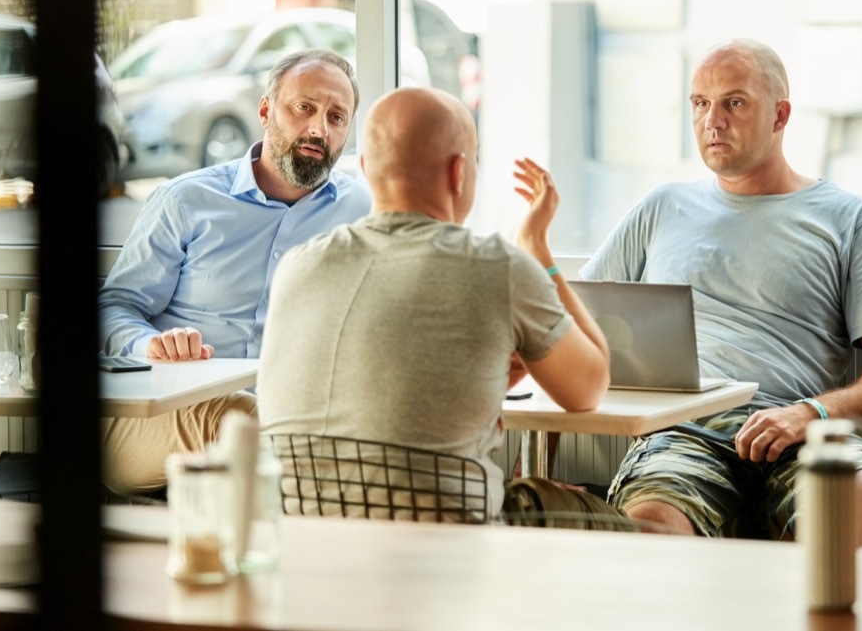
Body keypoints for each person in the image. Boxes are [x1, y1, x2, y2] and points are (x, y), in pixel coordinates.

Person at [579, 38, 862, 543]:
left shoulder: (848, 218)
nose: (713, 120)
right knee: (650, 527)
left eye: (735, 102)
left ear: (780, 115)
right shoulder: (662, 208)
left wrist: (810, 412)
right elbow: (572, 318)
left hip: (802, 431)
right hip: (685, 437)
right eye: (700, 103)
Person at [256, 86, 620, 524]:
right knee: (631, 528)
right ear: (459, 172)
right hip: (447, 546)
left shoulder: (299, 265)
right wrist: (536, 249)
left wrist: (484, 376)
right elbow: (589, 387)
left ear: (368, 169)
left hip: (303, 538)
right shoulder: (497, 266)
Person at [97, 48, 373, 493]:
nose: (319, 129)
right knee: (243, 421)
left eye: (337, 117)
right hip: (164, 417)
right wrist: (151, 345)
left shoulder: (361, 209)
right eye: (304, 108)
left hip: (296, 421)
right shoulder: (186, 200)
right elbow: (112, 308)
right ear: (265, 111)